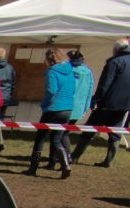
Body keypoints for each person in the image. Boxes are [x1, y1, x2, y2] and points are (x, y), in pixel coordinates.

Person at [71, 38, 130, 168]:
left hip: (107, 103)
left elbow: (105, 84)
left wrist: (97, 99)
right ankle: (109, 160)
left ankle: (75, 156)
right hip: (125, 105)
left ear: (116, 49)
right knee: (115, 132)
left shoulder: (114, 62)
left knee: (89, 129)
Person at [24, 47, 76, 177]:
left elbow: (51, 90)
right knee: (56, 139)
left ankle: (33, 168)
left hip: (53, 108)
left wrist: (45, 104)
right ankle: (65, 165)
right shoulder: (70, 70)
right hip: (67, 109)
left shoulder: (52, 71)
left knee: (40, 138)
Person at [51, 50, 94, 169]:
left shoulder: (67, 70)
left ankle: (66, 157)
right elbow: (89, 91)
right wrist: (85, 107)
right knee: (65, 132)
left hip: (65, 105)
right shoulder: (88, 72)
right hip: (79, 107)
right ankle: (61, 157)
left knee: (61, 134)